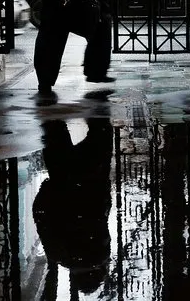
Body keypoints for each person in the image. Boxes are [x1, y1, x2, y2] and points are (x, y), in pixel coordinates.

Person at [32, 117, 114, 298]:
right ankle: (46, 95)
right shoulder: (58, 254)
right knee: (54, 127)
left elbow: (102, 215)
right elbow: (41, 216)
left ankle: (97, 98)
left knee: (100, 126)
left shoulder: (102, 253)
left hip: (92, 181)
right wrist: (47, 189)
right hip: (62, 181)